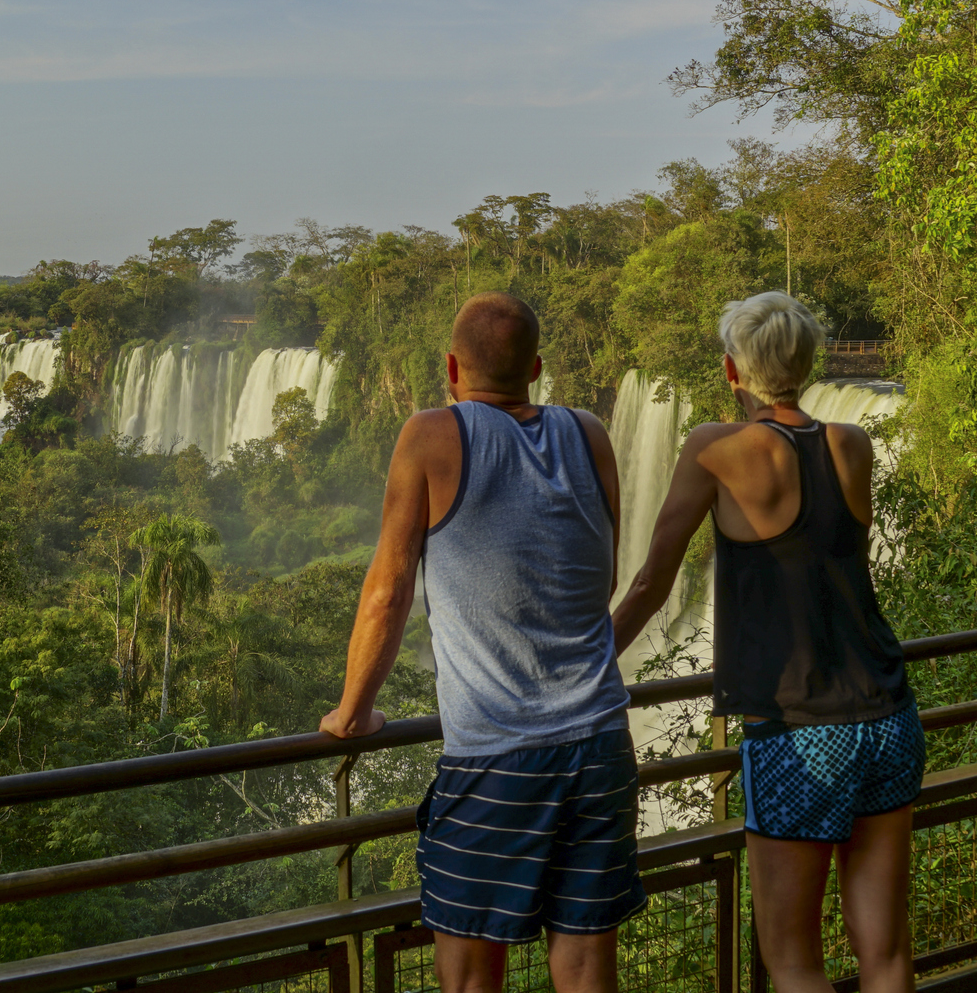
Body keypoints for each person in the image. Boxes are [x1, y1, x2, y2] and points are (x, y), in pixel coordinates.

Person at [320, 291, 641, 993]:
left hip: (496, 754)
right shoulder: (588, 433)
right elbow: (602, 573)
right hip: (600, 746)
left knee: (470, 977)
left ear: (449, 366)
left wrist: (352, 712)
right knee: (587, 967)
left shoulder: (431, 433)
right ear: (535, 367)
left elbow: (387, 590)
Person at [611, 292, 919, 993]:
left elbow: (651, 584)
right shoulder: (853, 444)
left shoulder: (714, 448)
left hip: (796, 728)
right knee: (886, 951)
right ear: (808, 365)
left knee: (792, 959)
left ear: (730, 370)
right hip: (886, 713)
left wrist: (588, 664)